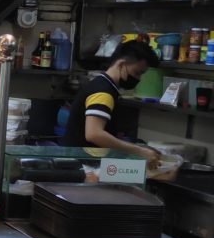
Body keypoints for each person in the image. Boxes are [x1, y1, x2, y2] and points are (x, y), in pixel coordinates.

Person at [62, 39, 161, 167]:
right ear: (121, 64)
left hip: (82, 164)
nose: (138, 79)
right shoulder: (104, 92)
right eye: (137, 73)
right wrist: (139, 151)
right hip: (83, 167)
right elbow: (94, 134)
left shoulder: (101, 84)